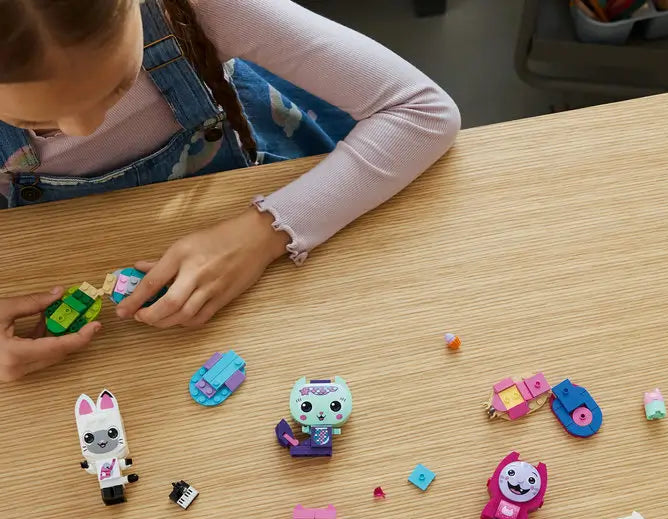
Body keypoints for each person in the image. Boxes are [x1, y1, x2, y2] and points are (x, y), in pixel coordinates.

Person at [0, 0, 460, 379]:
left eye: (117, 86)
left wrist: (263, 234)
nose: (85, 127)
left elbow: (421, 112)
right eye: (33, 123)